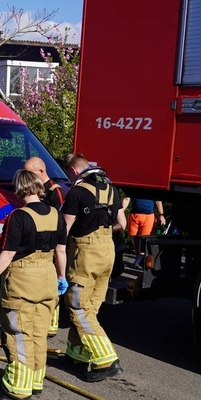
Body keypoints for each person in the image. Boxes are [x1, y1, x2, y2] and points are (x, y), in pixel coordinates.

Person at [0, 170, 68, 399]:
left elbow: (8, 254)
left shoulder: (18, 217)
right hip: (48, 278)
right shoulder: (56, 214)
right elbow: (61, 250)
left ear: (19, 190)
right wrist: (62, 277)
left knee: (18, 332)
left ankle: (18, 386)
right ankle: (36, 381)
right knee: (39, 333)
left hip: (23, 281)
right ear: (39, 187)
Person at [57, 153, 127, 382]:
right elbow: (121, 224)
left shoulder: (76, 192)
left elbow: (65, 228)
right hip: (107, 252)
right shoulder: (112, 190)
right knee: (90, 309)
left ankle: (107, 361)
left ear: (74, 171)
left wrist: (55, 255)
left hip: (85, 254)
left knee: (78, 309)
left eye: (68, 174)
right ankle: (76, 355)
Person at [24, 156, 65, 336]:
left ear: (41, 172)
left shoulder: (55, 192)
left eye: (29, 173)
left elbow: (61, 222)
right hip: (37, 246)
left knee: (52, 286)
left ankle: (51, 324)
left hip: (52, 245)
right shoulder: (35, 189)